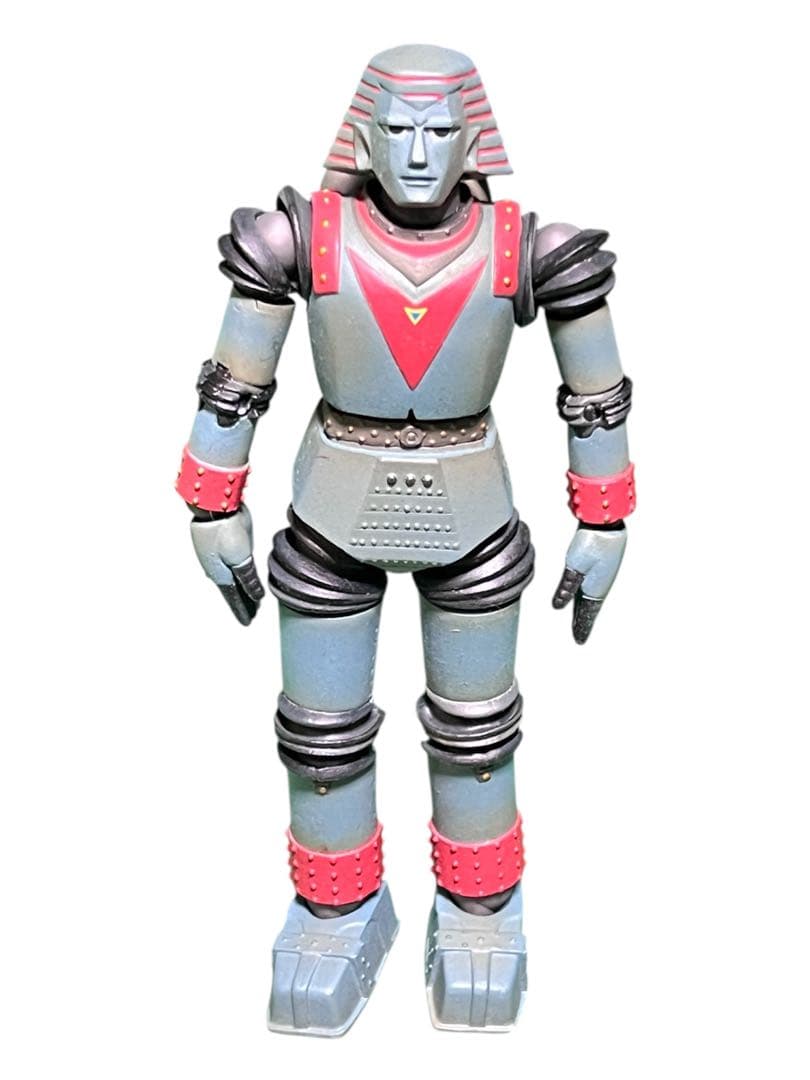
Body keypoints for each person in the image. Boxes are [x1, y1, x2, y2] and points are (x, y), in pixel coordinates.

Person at [176, 43, 635, 1036]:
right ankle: (335, 905)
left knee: (479, 734)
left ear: (475, 137)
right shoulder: (302, 239)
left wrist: (605, 516)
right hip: (331, 513)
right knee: (320, 734)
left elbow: (596, 395)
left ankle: (480, 904)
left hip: (472, 515)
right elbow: (234, 380)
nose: (419, 152)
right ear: (365, 135)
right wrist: (212, 499)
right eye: (398, 129)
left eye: (439, 130)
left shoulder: (528, 249)